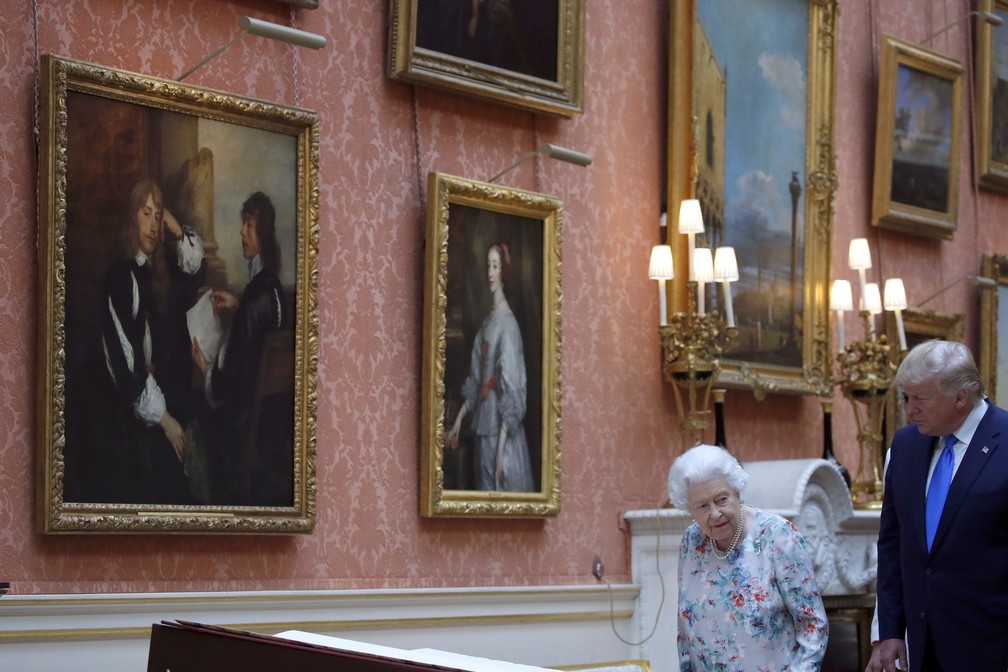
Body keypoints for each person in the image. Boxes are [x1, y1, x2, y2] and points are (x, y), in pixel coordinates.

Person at [873, 339, 1008, 672]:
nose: (910, 409)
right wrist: (889, 632)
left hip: (992, 646)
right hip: (920, 647)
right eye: (906, 397)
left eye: (920, 398)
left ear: (961, 397)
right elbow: (892, 545)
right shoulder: (905, 446)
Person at [78, 177, 206, 504]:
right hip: (110, 404)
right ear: (132, 218)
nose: (152, 225)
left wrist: (176, 230)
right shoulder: (122, 276)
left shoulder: (154, 272)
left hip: (140, 391)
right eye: (145, 213)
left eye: (157, 215)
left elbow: (196, 269)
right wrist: (164, 420)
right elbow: (122, 364)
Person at [668, 443, 828, 671]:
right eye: (702, 506)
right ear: (690, 510)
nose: (715, 513)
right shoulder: (691, 542)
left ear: (737, 492)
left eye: (722, 499)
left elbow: (813, 625)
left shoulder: (778, 536)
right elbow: (685, 628)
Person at [191, 191, 291, 505]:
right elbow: (259, 323)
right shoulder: (273, 291)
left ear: (262, 234)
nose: (241, 232)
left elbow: (230, 385)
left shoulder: (255, 301)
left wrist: (205, 368)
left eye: (249, 225)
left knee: (191, 415)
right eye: (243, 224)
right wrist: (239, 303)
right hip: (270, 427)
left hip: (242, 430)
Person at [443, 242, 534, 491]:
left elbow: (513, 390)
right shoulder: (487, 323)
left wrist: (501, 452)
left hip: (503, 440)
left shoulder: (509, 325)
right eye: (488, 266)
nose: (490, 273)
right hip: (485, 433)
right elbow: (477, 381)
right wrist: (459, 420)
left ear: (504, 272)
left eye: (495, 267)